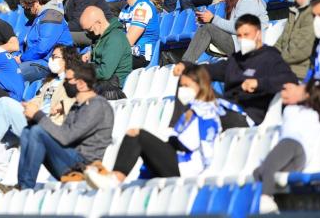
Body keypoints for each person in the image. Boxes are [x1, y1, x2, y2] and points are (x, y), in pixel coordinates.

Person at [84, 64, 221, 188]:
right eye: (181, 86)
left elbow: (195, 145)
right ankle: (114, 177)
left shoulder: (206, 111)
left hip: (187, 167)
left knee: (137, 135)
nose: (182, 90)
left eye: (187, 86)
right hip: (179, 161)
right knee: (136, 137)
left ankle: (114, 179)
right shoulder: (190, 110)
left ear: (200, 85)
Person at [176, 14, 297, 124]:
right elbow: (211, 70)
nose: (242, 39)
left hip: (247, 115)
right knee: (189, 77)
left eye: (246, 35)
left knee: (202, 115)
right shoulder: (236, 59)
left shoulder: (270, 56)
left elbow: (288, 79)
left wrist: (258, 83)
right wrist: (186, 66)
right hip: (226, 107)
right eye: (239, 35)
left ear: (258, 34)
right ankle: (174, 128)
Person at [14, 63, 114, 190]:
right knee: (28, 131)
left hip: (84, 165)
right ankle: (22, 185)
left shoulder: (97, 106)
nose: (64, 84)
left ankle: (25, 188)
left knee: (37, 132)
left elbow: (66, 138)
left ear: (82, 84)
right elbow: (63, 134)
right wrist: (33, 118)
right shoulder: (77, 106)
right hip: (69, 158)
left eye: (67, 80)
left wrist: (38, 115)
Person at [255, 78, 320, 214]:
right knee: (259, 171)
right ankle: (274, 202)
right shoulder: (318, 117)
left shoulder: (292, 110)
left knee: (269, 165)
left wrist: (302, 92)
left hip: (293, 144)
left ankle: (266, 197)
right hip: (301, 157)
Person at [0, 45, 79, 140]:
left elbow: (76, 101)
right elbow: (38, 100)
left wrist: (61, 105)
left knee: (5, 104)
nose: (51, 59)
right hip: (33, 117)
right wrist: (28, 105)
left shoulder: (73, 82)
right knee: (2, 107)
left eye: (55, 57)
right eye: (51, 56)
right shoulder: (51, 81)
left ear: (67, 60)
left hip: (46, 123)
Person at [181, 0, 269, 63]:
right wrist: (207, 19)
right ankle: (186, 64)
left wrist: (213, 19)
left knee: (208, 28)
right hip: (237, 42)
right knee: (206, 27)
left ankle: (185, 65)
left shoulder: (249, 0)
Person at [17, 0, 73, 82]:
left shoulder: (52, 16)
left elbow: (42, 48)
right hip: (36, 61)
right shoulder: (38, 18)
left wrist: (22, 58)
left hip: (49, 62)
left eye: (27, 6)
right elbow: (22, 42)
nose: (25, 10)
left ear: (36, 2)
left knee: (13, 74)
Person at [274, 0, 318, 81]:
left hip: (303, 76)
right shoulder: (295, 9)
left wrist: (270, 63)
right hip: (285, 70)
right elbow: (280, 42)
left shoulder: (316, 11)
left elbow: (298, 52)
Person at [281, 0, 320, 108]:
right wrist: (300, 89)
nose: (317, 22)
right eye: (315, 17)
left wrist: (304, 94)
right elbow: (312, 76)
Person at [80, 6, 132, 100]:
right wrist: (91, 55)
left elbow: (105, 72)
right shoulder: (103, 36)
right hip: (102, 83)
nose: (87, 32)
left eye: (88, 29)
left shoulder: (115, 38)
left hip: (112, 87)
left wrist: (83, 72)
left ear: (98, 22)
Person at [118, 0, 160, 68]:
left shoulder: (142, 7)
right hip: (128, 55)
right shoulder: (126, 8)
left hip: (142, 57)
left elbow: (128, 42)